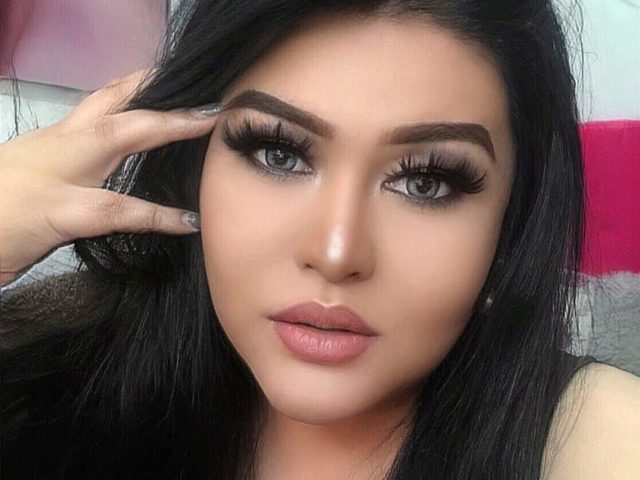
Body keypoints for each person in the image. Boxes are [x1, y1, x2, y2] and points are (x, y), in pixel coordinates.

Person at [0, 1, 638, 479]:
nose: (335, 254)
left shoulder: (599, 440)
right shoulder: (55, 386)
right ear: (193, 166)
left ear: (511, 219)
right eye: (278, 153)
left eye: (426, 182)